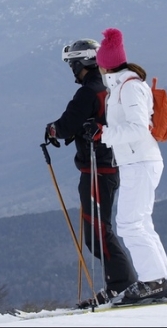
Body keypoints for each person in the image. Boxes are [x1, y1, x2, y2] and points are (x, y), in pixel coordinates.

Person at [45, 39, 136, 303]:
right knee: (99, 229)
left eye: (73, 64)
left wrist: (51, 129)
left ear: (82, 63)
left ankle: (121, 286)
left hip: (97, 168)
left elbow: (66, 125)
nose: (73, 70)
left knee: (97, 232)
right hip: (113, 164)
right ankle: (120, 285)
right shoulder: (110, 87)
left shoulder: (89, 92)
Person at [92, 27, 167, 303]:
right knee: (141, 223)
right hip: (137, 160)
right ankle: (166, 281)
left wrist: (103, 134)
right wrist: (103, 128)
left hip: (140, 161)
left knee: (129, 224)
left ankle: (153, 281)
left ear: (104, 64)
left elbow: (139, 127)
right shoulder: (122, 86)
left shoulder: (129, 88)